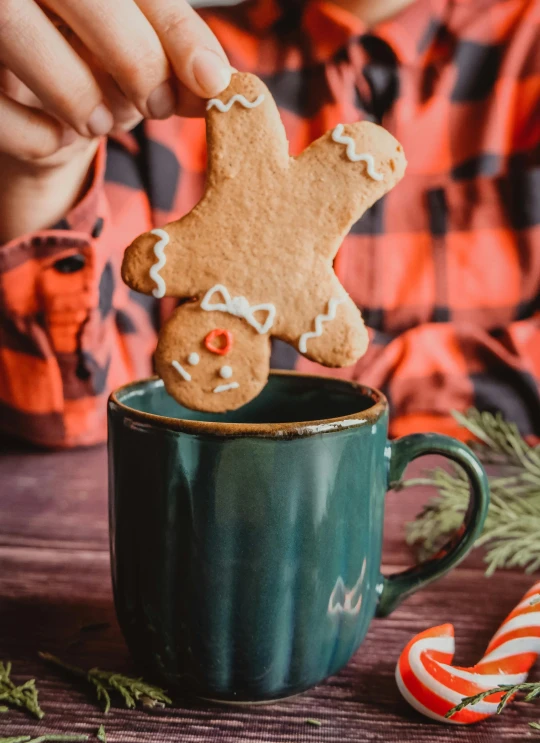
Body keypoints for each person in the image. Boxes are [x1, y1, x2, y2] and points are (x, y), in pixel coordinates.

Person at [0, 0, 538, 447]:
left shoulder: (527, 54)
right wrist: (40, 176)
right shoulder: (159, 76)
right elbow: (76, 410)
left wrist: (338, 377)